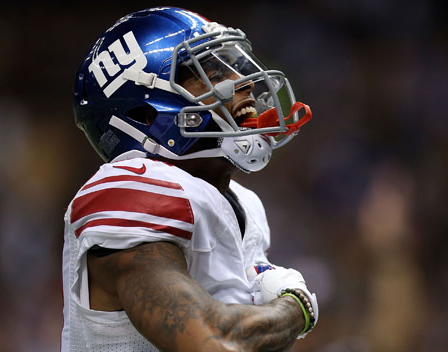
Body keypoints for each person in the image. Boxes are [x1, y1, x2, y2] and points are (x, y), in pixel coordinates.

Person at [62, 6, 318, 352]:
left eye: (231, 63)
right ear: (146, 112)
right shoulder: (132, 190)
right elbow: (215, 342)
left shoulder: (244, 204)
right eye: (210, 70)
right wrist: (294, 308)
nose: (240, 81)